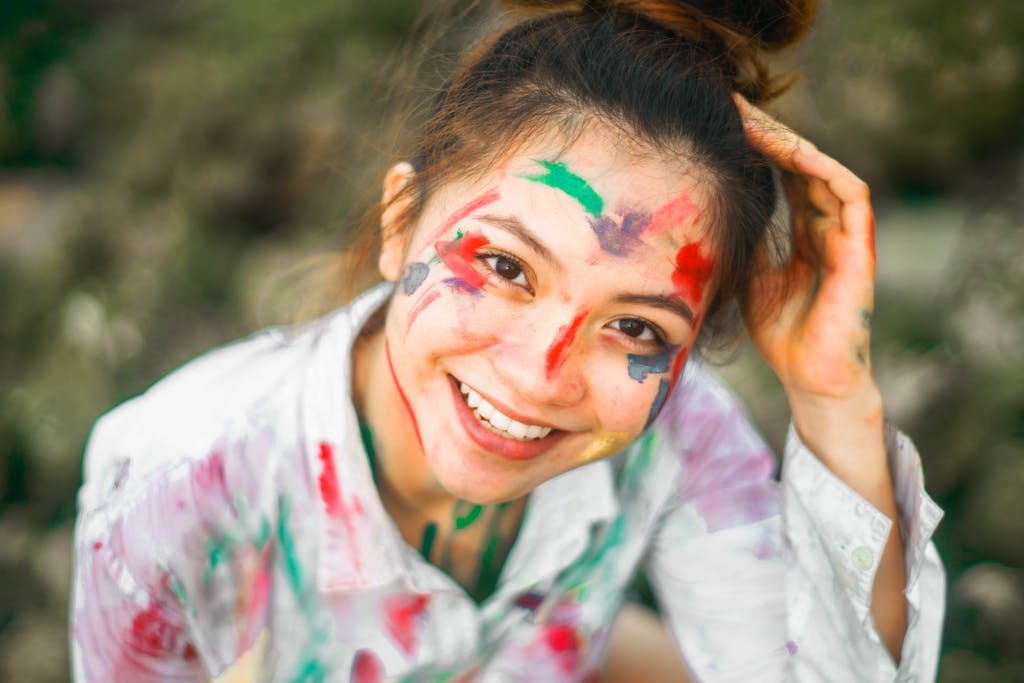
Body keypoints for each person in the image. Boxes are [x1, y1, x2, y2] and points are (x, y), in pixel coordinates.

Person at [69, 0, 946, 681]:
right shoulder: (174, 485)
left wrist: (834, 393)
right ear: (401, 220)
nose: (537, 375)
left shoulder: (679, 439)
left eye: (634, 326)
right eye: (504, 265)